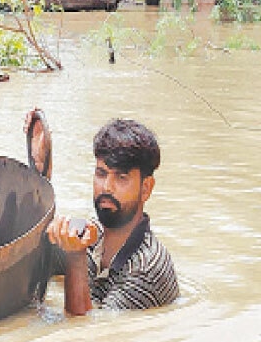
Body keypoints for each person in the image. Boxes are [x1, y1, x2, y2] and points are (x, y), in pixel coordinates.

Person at [40, 116, 179, 314]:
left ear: (146, 188)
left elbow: (85, 333)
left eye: (121, 177)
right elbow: (40, 256)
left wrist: (75, 256)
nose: (106, 187)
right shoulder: (93, 236)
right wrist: (40, 173)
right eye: (101, 173)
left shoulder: (146, 269)